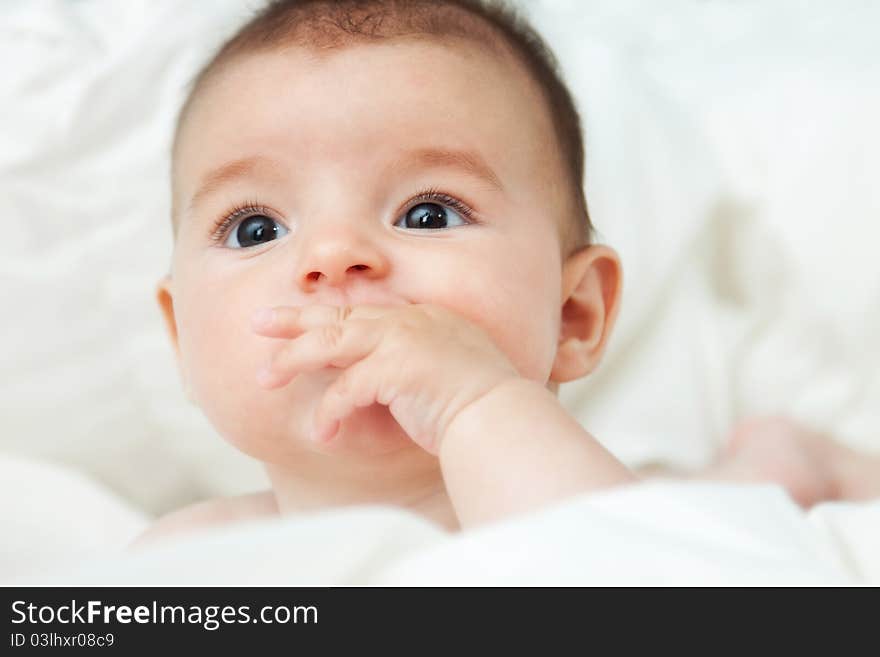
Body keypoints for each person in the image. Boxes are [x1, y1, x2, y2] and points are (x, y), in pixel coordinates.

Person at [134, 0, 879, 545]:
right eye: (254, 227)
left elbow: (643, 582)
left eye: (428, 213)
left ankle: (784, 461)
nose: (332, 256)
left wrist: (471, 402)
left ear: (573, 314)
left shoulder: (595, 524)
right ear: (182, 340)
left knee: (723, 506)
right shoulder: (188, 556)